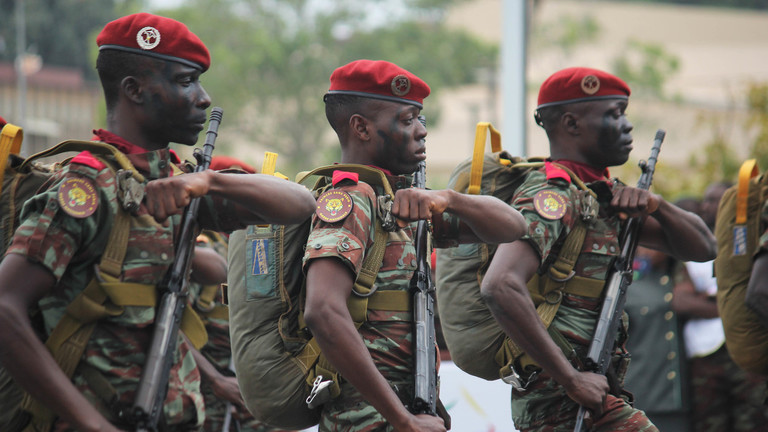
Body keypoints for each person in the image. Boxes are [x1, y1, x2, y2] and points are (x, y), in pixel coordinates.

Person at [0, 12, 316, 432]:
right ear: (134, 90)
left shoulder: (180, 181)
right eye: (186, 82)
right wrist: (92, 424)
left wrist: (209, 180)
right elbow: (5, 307)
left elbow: (300, 204)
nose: (203, 98)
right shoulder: (85, 188)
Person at [479, 66, 717, 432]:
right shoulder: (553, 194)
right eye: (613, 114)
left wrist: (658, 206)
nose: (626, 125)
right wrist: (570, 379)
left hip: (591, 382)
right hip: (558, 392)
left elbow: (704, 247)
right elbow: (500, 284)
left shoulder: (602, 196)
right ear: (572, 124)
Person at [302, 59, 527, 432]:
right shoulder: (350, 201)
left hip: (403, 407)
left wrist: (452, 200)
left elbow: (512, 227)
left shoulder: (398, 205)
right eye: (408, 120)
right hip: (366, 418)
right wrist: (401, 418)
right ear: (361, 127)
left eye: (419, 119)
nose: (422, 131)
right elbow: (323, 311)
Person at [671, 181, 768, 432]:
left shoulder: (750, 242)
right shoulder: (694, 251)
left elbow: (757, 292)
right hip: (706, 357)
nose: (707, 206)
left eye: (716, 200)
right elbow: (681, 301)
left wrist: (709, 300)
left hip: (746, 354)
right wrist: (732, 303)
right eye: (706, 199)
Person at [624, 246, 691, 431]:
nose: (647, 250)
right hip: (641, 394)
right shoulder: (627, 285)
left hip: (677, 397)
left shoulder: (679, 280)